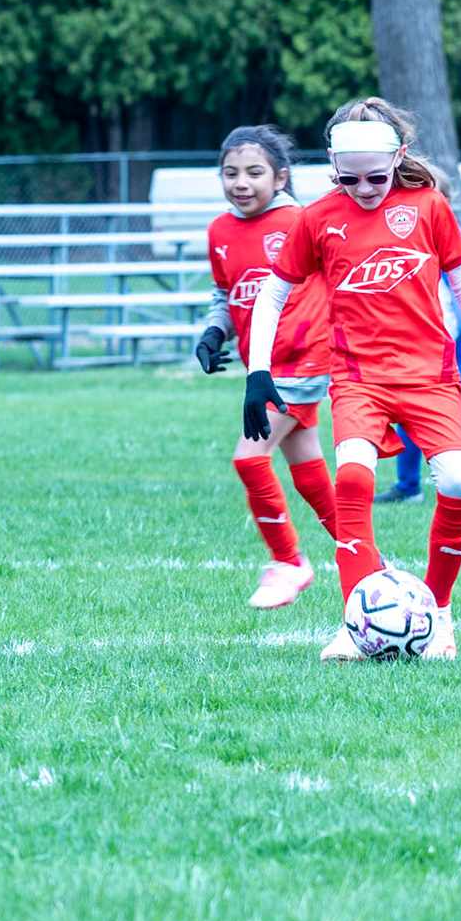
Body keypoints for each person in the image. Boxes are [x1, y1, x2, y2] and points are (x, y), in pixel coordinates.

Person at [241, 97, 461, 661]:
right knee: (355, 483)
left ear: (400, 158)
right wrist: (258, 372)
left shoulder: (428, 206)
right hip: (357, 378)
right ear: (331, 167)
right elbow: (271, 296)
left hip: (430, 376)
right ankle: (354, 624)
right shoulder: (318, 219)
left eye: (376, 177)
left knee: (460, 483)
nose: (364, 188)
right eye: (350, 178)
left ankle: (437, 616)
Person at [194, 125, 337, 609]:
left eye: (254, 172)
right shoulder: (219, 230)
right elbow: (224, 293)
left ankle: (289, 562)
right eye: (230, 172)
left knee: (249, 458)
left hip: (303, 361)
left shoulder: (302, 221)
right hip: (263, 371)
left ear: (280, 178)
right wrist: (215, 332)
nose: (241, 182)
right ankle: (365, 555)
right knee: (307, 470)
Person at [376, 281, 461, 506]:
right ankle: (408, 486)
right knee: (411, 409)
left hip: (447, 337)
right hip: (431, 336)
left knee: (446, 412)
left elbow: (457, 286)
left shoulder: (442, 245)